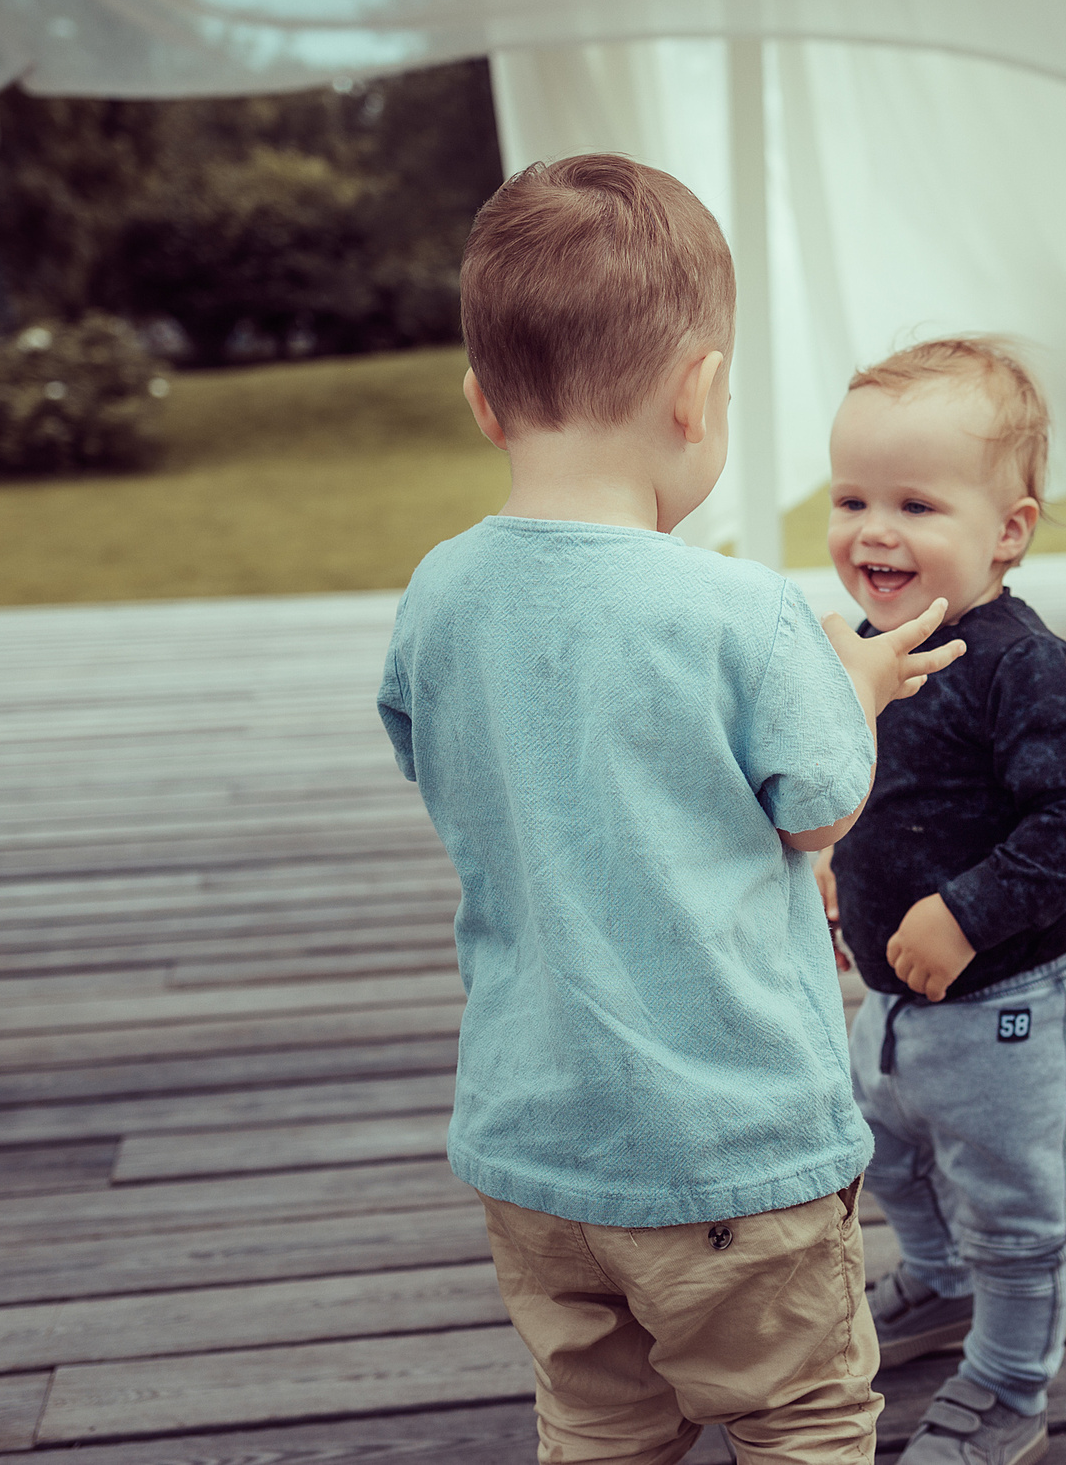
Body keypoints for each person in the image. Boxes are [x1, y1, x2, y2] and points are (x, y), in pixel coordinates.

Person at [377, 153, 965, 1464]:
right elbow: (816, 804)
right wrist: (852, 679)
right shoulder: (737, 608)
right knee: (803, 1413)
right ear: (700, 395)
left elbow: (436, 750)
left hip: (536, 1147)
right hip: (730, 1149)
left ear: (484, 402)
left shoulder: (440, 593)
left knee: (595, 1416)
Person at [816, 339, 1066, 1465]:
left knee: (1014, 1206)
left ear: (1008, 529)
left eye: (915, 502)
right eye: (851, 498)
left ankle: (1006, 1382)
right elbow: (865, 784)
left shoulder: (1020, 667)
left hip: (1015, 1006)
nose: (873, 530)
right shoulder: (865, 646)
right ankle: (941, 1288)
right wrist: (826, 865)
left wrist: (966, 910)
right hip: (899, 1002)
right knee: (891, 1157)